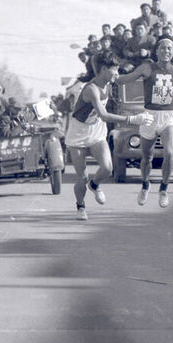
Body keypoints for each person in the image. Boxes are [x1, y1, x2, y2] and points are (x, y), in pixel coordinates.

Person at [65, 53, 152, 220]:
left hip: (96, 130)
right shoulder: (91, 89)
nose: (117, 74)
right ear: (104, 69)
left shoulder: (111, 81)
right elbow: (104, 115)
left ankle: (95, 184)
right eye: (114, 70)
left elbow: (129, 78)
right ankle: (81, 206)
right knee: (81, 175)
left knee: (107, 168)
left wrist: (143, 70)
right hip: (78, 132)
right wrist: (133, 119)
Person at [116, 38, 173, 208]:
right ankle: (145, 185)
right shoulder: (147, 68)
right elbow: (128, 78)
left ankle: (163, 189)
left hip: (167, 115)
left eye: (169, 48)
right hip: (149, 115)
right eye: (162, 48)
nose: (166, 51)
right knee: (147, 156)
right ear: (156, 52)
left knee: (169, 153)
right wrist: (114, 78)